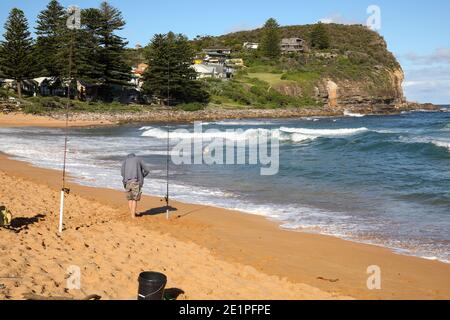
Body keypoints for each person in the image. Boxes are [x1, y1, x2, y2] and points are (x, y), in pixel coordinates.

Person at [121, 154, 150, 218]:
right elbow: (147, 170)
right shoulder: (139, 159)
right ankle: (133, 216)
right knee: (134, 199)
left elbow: (122, 173)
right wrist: (142, 176)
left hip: (127, 182)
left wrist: (127, 177)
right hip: (136, 182)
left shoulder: (125, 160)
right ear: (135, 156)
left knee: (130, 199)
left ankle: (132, 213)